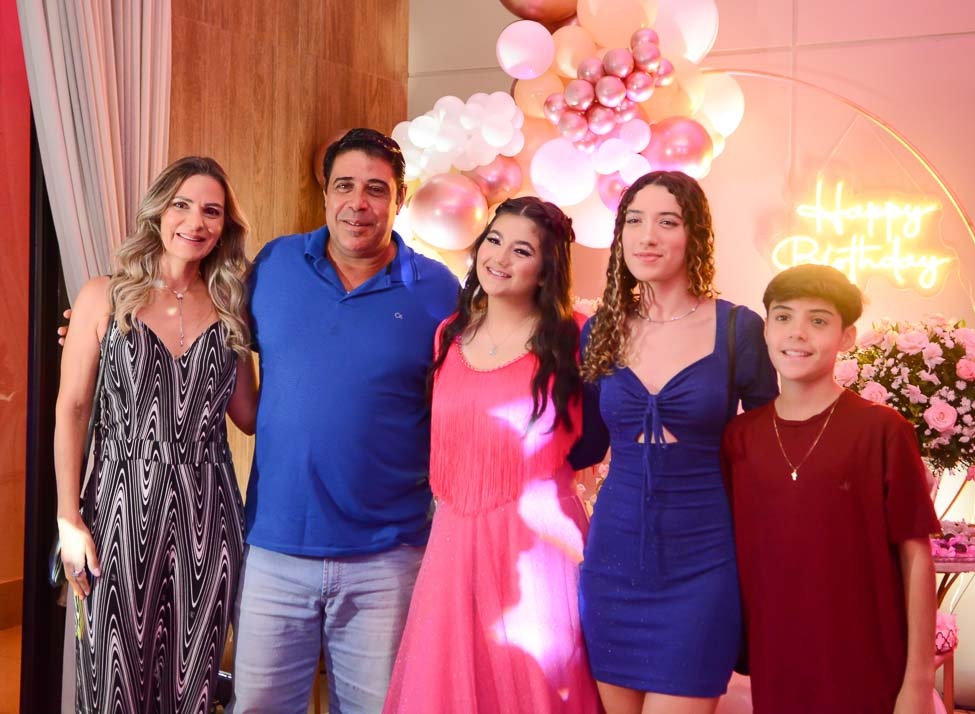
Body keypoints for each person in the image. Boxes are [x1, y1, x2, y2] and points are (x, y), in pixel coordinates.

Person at [228, 128, 460, 713]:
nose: (359, 203)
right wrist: (102, 327)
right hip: (276, 548)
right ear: (326, 193)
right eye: (345, 186)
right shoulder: (276, 265)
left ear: (400, 200)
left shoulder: (437, 289)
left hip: (387, 558)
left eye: (376, 189)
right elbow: (199, 327)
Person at [54, 156, 258, 713]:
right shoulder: (103, 296)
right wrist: (68, 519)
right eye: (182, 205)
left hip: (208, 517)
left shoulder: (232, 306)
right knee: (110, 676)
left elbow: (248, 416)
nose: (195, 222)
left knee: (192, 681)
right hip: (117, 510)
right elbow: (72, 408)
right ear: (158, 212)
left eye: (211, 211)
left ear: (225, 224)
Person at [383, 197, 601, 713]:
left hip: (537, 548)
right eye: (494, 241)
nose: (500, 258)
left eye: (521, 250)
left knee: (536, 687)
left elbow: (595, 440)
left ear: (546, 269)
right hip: (455, 543)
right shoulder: (450, 334)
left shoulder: (575, 336)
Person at [575, 170, 778, 713]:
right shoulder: (600, 330)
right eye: (634, 221)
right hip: (612, 560)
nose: (647, 236)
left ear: (695, 235)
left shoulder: (738, 329)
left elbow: (771, 446)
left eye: (667, 222)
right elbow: (585, 444)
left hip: (703, 563)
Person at [721, 264, 939, 713]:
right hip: (777, 663)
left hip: (867, 665)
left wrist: (918, 681)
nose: (797, 333)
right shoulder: (739, 437)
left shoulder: (882, 430)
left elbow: (916, 556)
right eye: (783, 317)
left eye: (818, 320)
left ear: (846, 338)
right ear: (766, 330)